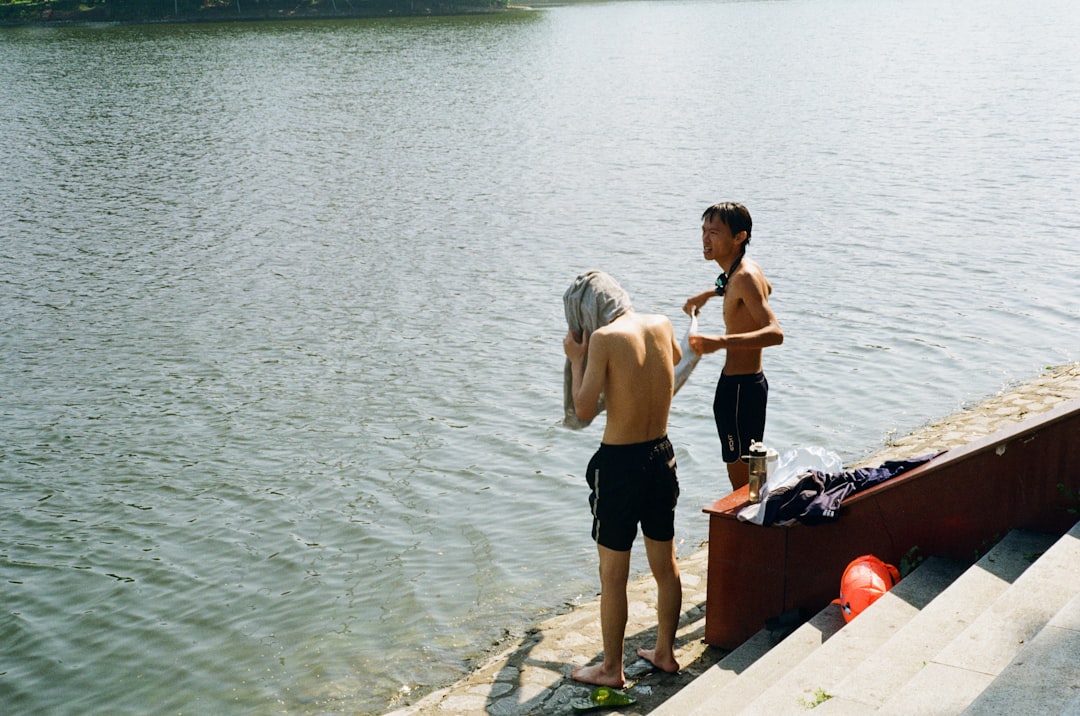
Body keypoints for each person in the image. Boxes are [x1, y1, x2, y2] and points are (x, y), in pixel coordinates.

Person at [562, 270, 683, 687]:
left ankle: (611, 668)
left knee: (613, 574)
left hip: (620, 466)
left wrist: (577, 359)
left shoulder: (603, 339)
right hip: (662, 456)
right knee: (665, 564)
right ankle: (665, 653)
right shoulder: (661, 323)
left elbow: (582, 410)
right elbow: (675, 358)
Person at [684, 202, 784, 492]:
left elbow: (775, 333)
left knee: (741, 480)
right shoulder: (745, 270)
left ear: (739, 237)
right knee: (750, 469)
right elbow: (765, 287)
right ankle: (758, 511)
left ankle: (750, 516)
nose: (705, 239)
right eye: (703, 230)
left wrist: (719, 342)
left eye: (714, 232)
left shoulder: (745, 276)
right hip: (746, 386)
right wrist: (709, 294)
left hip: (741, 390)